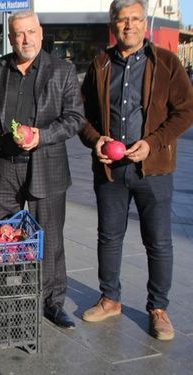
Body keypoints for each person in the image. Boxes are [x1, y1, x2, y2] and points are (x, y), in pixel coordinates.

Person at [79, 0, 193, 341]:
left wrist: (154, 142)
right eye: (122, 20)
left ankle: (158, 308)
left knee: (158, 242)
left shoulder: (167, 63)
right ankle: (110, 298)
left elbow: (185, 111)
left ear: (146, 24)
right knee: (109, 237)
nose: (129, 25)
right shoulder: (99, 64)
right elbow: (81, 115)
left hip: (153, 170)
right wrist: (95, 139)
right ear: (113, 25)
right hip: (111, 171)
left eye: (135, 19)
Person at [0, 11, 84, 329]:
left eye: (31, 32)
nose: (26, 39)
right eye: (19, 34)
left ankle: (52, 302)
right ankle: (10, 295)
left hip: (45, 166)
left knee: (49, 238)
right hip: (2, 167)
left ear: (41, 31)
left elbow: (75, 118)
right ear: (10, 38)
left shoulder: (62, 70)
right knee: (4, 238)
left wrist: (42, 136)